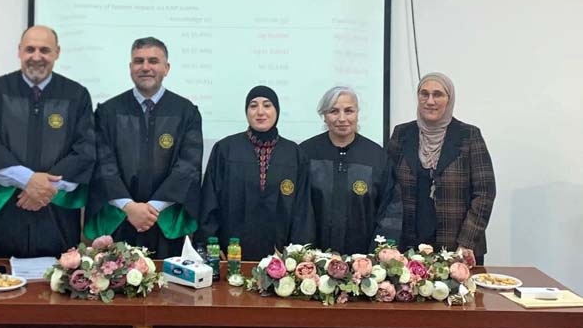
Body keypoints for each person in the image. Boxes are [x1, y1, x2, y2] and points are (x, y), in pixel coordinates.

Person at [0, 25, 96, 258]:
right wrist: (29, 180)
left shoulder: (76, 95)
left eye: (44, 50)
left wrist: (44, 188)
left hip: (56, 213)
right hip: (3, 211)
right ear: (19, 51)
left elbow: (84, 149)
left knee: (58, 275)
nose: (36, 57)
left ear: (57, 53)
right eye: (30, 49)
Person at [85, 37, 202, 259]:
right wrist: (130, 207)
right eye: (139, 61)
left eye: (153, 61)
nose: (145, 67)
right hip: (119, 219)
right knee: (115, 277)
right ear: (130, 67)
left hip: (166, 220)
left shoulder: (186, 112)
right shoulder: (108, 112)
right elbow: (103, 164)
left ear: (166, 68)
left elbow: (188, 165)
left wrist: (153, 208)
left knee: (167, 280)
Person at [387, 72, 496, 265]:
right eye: (424, 94)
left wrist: (466, 241)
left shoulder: (469, 135)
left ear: (449, 99)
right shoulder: (401, 134)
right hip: (408, 246)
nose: (430, 101)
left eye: (437, 94)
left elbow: (485, 193)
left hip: (459, 248)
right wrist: (390, 239)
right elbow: (388, 188)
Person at [197, 86, 315, 261]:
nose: (260, 112)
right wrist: (211, 244)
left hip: (281, 259)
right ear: (246, 112)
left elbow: (302, 209)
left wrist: (297, 254)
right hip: (231, 253)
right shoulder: (225, 149)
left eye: (267, 105)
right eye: (253, 106)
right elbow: (209, 200)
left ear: (277, 111)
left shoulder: (295, 154)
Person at [299, 86, 401, 255]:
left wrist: (378, 255)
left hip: (363, 260)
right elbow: (298, 211)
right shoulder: (306, 154)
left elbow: (391, 210)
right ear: (324, 116)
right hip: (313, 259)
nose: (342, 118)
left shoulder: (377, 158)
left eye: (349, 111)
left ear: (357, 113)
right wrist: (303, 254)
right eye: (333, 111)